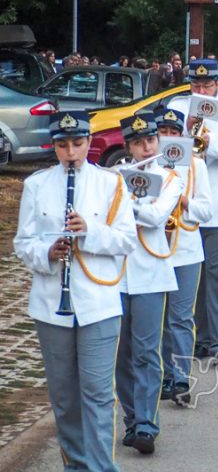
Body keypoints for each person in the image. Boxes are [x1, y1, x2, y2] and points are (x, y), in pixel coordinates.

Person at [14, 110, 135, 472]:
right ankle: (76, 465)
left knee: (97, 395)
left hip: (99, 303)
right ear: (54, 146)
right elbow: (23, 242)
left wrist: (88, 232)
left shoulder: (111, 184)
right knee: (65, 399)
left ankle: (101, 467)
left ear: (88, 143)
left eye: (78, 144)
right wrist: (48, 252)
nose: (71, 152)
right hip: (52, 303)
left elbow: (126, 240)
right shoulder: (36, 185)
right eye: (63, 145)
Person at [167, 59, 218, 368]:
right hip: (186, 205)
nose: (202, 90)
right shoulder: (178, 105)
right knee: (193, 278)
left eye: (207, 85)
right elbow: (166, 146)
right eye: (197, 85)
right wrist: (187, 131)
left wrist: (209, 140)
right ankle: (200, 339)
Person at [116, 112, 184, 453]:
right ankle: (131, 419)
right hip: (115, 277)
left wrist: (127, 204)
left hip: (150, 275)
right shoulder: (115, 177)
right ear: (129, 145)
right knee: (120, 355)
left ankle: (146, 422)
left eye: (151, 140)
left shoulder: (171, 178)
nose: (146, 147)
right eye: (139, 142)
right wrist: (127, 199)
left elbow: (158, 217)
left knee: (146, 351)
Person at [156, 107, 213, 407]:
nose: (167, 137)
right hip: (154, 252)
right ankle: (162, 375)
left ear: (182, 135)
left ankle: (179, 377)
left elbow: (207, 210)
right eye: (162, 132)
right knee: (158, 318)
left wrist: (184, 201)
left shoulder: (196, 166)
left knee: (180, 317)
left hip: (187, 250)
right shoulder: (148, 165)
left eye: (172, 132)